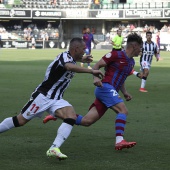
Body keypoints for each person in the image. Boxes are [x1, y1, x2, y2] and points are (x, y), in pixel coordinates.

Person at [0, 38, 103, 160]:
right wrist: (91, 71)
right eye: (83, 49)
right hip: (43, 96)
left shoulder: (71, 57)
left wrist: (82, 59)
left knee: (71, 115)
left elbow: (72, 61)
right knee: (20, 120)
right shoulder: (64, 57)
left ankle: (54, 148)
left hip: (56, 99)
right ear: (76, 49)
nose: (85, 50)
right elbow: (68, 66)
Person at [43, 33, 143, 151]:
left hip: (110, 92)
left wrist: (125, 92)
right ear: (135, 46)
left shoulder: (131, 62)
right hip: (105, 88)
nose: (141, 50)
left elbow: (121, 79)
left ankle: (57, 114)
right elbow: (96, 66)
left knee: (87, 121)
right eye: (140, 47)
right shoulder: (116, 54)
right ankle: (119, 140)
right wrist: (95, 78)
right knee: (123, 110)